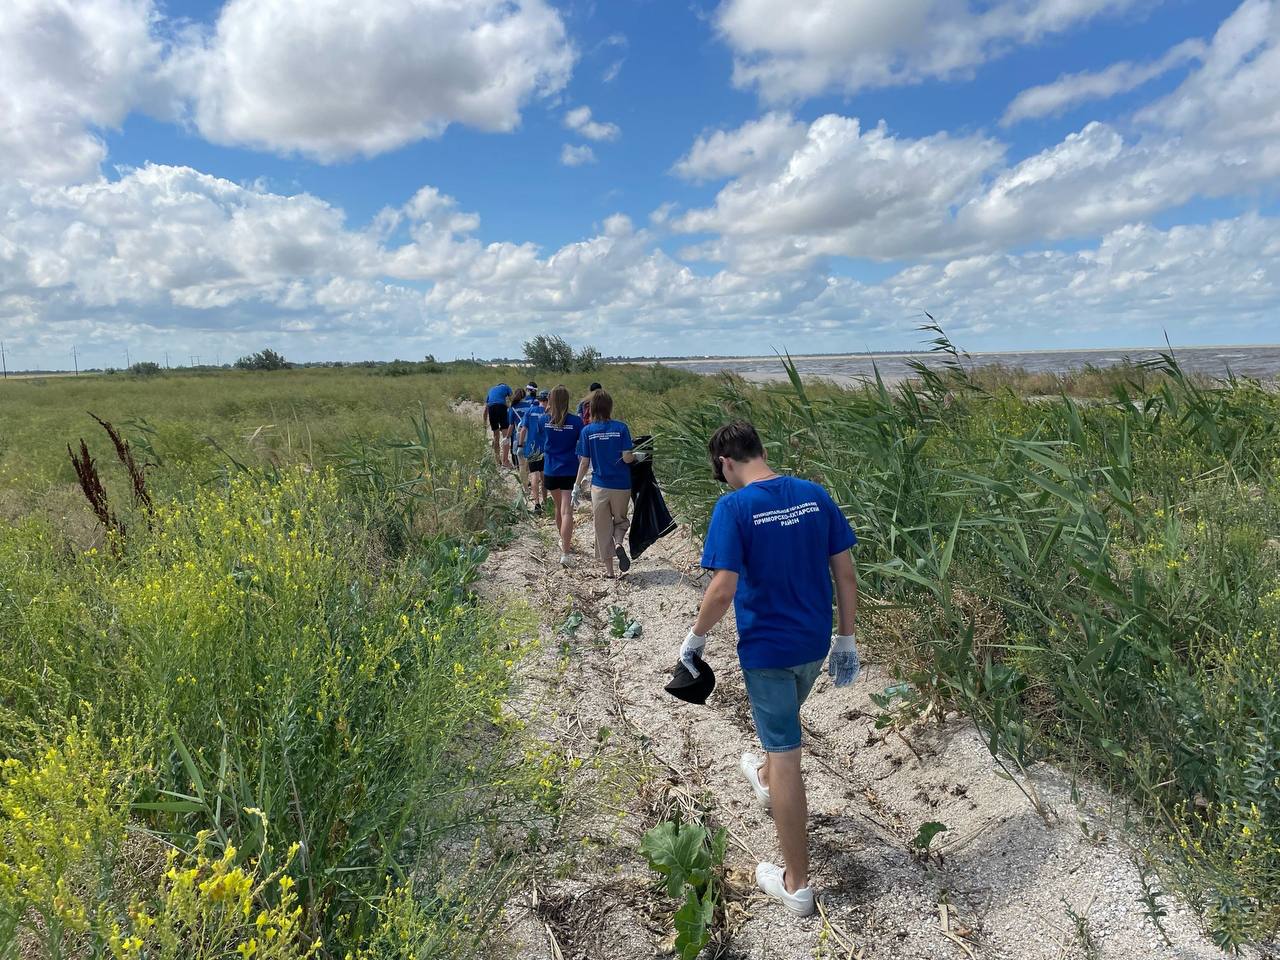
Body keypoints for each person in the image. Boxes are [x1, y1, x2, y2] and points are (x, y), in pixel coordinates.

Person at [678, 420, 860, 919]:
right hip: (813, 645)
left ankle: (796, 884)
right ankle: (763, 774)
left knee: (786, 756)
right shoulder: (813, 495)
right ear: (759, 450)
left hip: (768, 652)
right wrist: (846, 637)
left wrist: (695, 638)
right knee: (779, 734)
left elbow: (722, 589)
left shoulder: (734, 507)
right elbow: (845, 573)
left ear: (725, 463)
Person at [574, 389, 635, 577]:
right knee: (620, 520)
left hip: (600, 486)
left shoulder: (587, 431)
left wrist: (577, 485)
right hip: (621, 484)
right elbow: (627, 457)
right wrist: (636, 456)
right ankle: (619, 544)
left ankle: (609, 572)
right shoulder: (621, 428)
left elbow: (584, 462)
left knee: (602, 527)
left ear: (591, 408)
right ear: (609, 407)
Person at [540, 385, 584, 567]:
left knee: (559, 508)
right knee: (567, 511)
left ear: (550, 400)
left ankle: (562, 540)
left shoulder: (544, 420)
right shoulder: (576, 421)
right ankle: (565, 551)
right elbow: (581, 443)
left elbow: (542, 439)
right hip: (569, 469)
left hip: (551, 469)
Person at [519, 389, 550, 513]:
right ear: (548, 400)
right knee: (544, 476)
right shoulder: (550, 414)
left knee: (534, 475)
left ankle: (537, 504)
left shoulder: (530, 411)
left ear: (539, 399)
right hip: (546, 449)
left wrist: (520, 445)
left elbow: (523, 429)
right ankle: (545, 501)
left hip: (532, 448)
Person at [484, 382, 513, 467]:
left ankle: (497, 460)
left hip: (491, 409)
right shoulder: (506, 387)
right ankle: (505, 461)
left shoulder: (491, 390)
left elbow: (486, 409)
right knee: (505, 435)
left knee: (496, 435)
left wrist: (484, 422)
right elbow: (513, 400)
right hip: (501, 407)